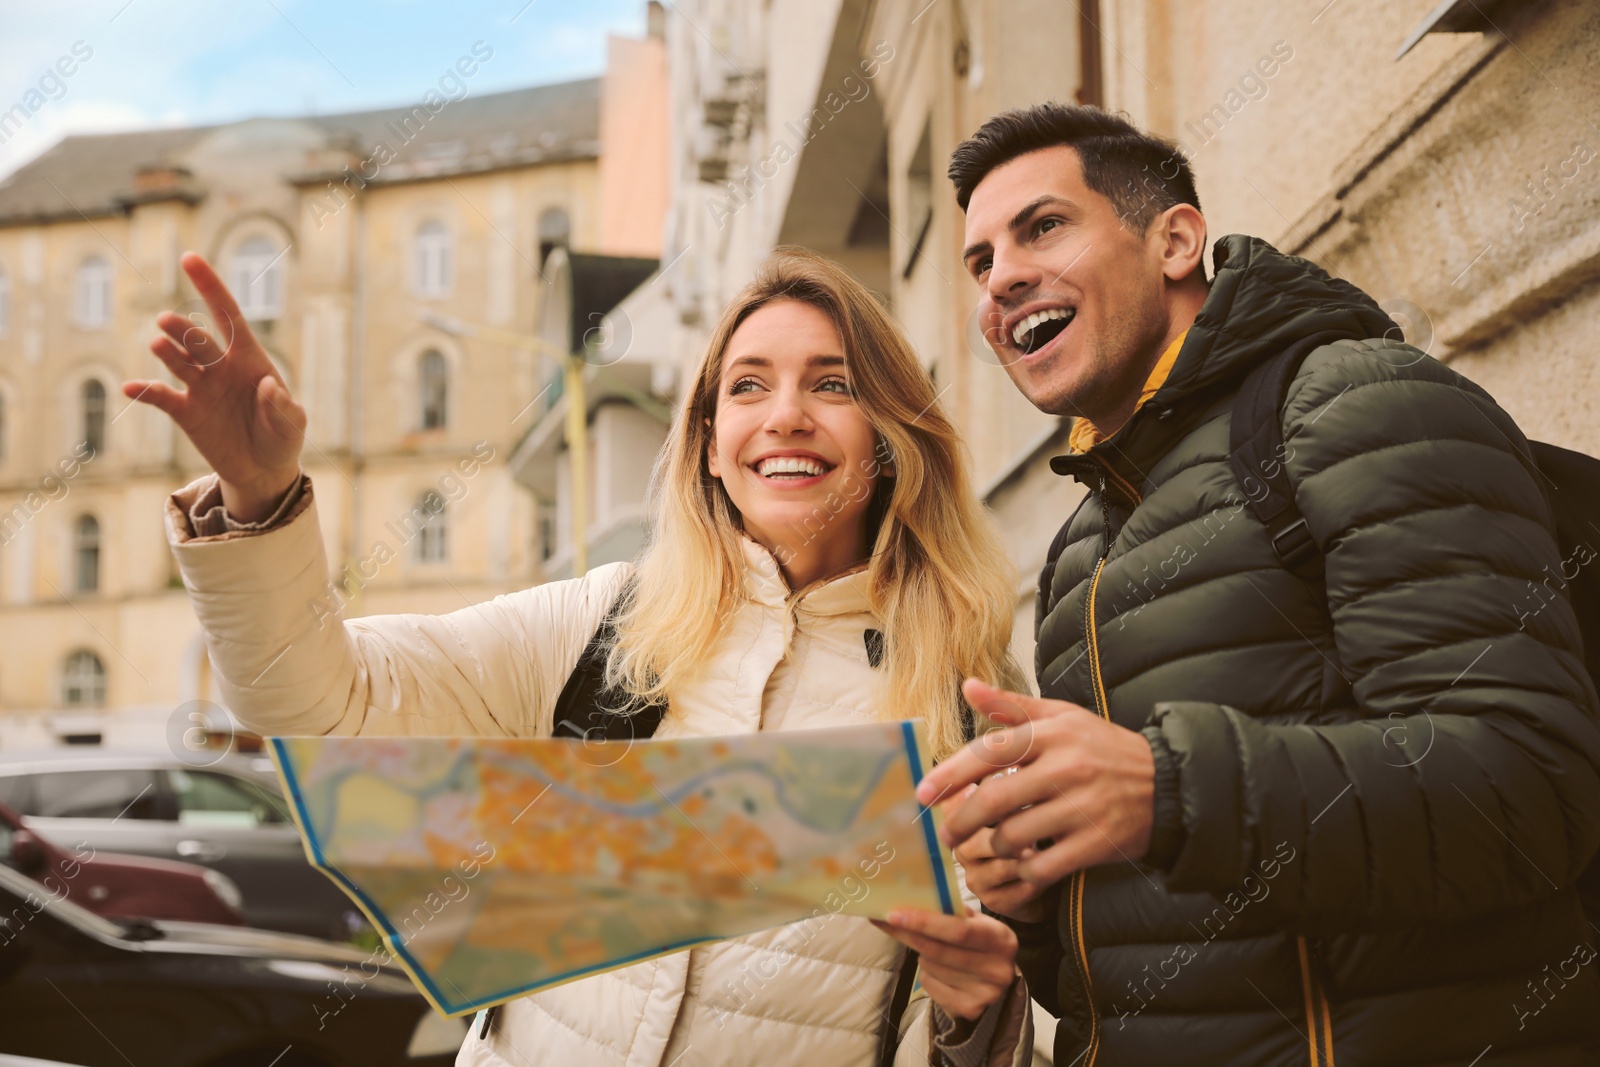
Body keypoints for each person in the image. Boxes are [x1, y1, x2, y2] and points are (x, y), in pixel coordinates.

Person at [127, 247, 1035, 1066]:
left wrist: (972, 1016)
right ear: (710, 446)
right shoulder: (604, 620)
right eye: (749, 386)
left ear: (887, 438)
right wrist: (259, 498)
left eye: (832, 385)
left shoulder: (968, 690)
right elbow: (313, 706)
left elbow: (1017, 1000)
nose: (787, 416)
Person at [914, 103, 1600, 1065]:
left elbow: (1532, 786)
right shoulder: (1076, 559)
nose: (1004, 277)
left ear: (1177, 240)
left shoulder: (1354, 401)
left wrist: (1167, 789)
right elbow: (1122, 956)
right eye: (980, 261)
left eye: (1044, 226)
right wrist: (1026, 901)